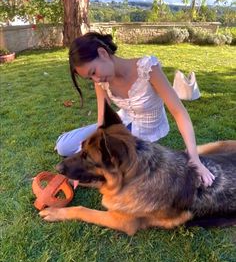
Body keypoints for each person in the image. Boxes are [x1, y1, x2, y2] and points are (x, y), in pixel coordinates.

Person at [55, 31, 215, 187]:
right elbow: (102, 121)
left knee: (126, 175)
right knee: (64, 147)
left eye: (93, 72)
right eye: (90, 77)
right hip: (119, 124)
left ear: (103, 53)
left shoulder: (147, 68)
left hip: (145, 132)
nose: (95, 79)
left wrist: (194, 159)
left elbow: (179, 113)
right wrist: (86, 150)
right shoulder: (101, 82)